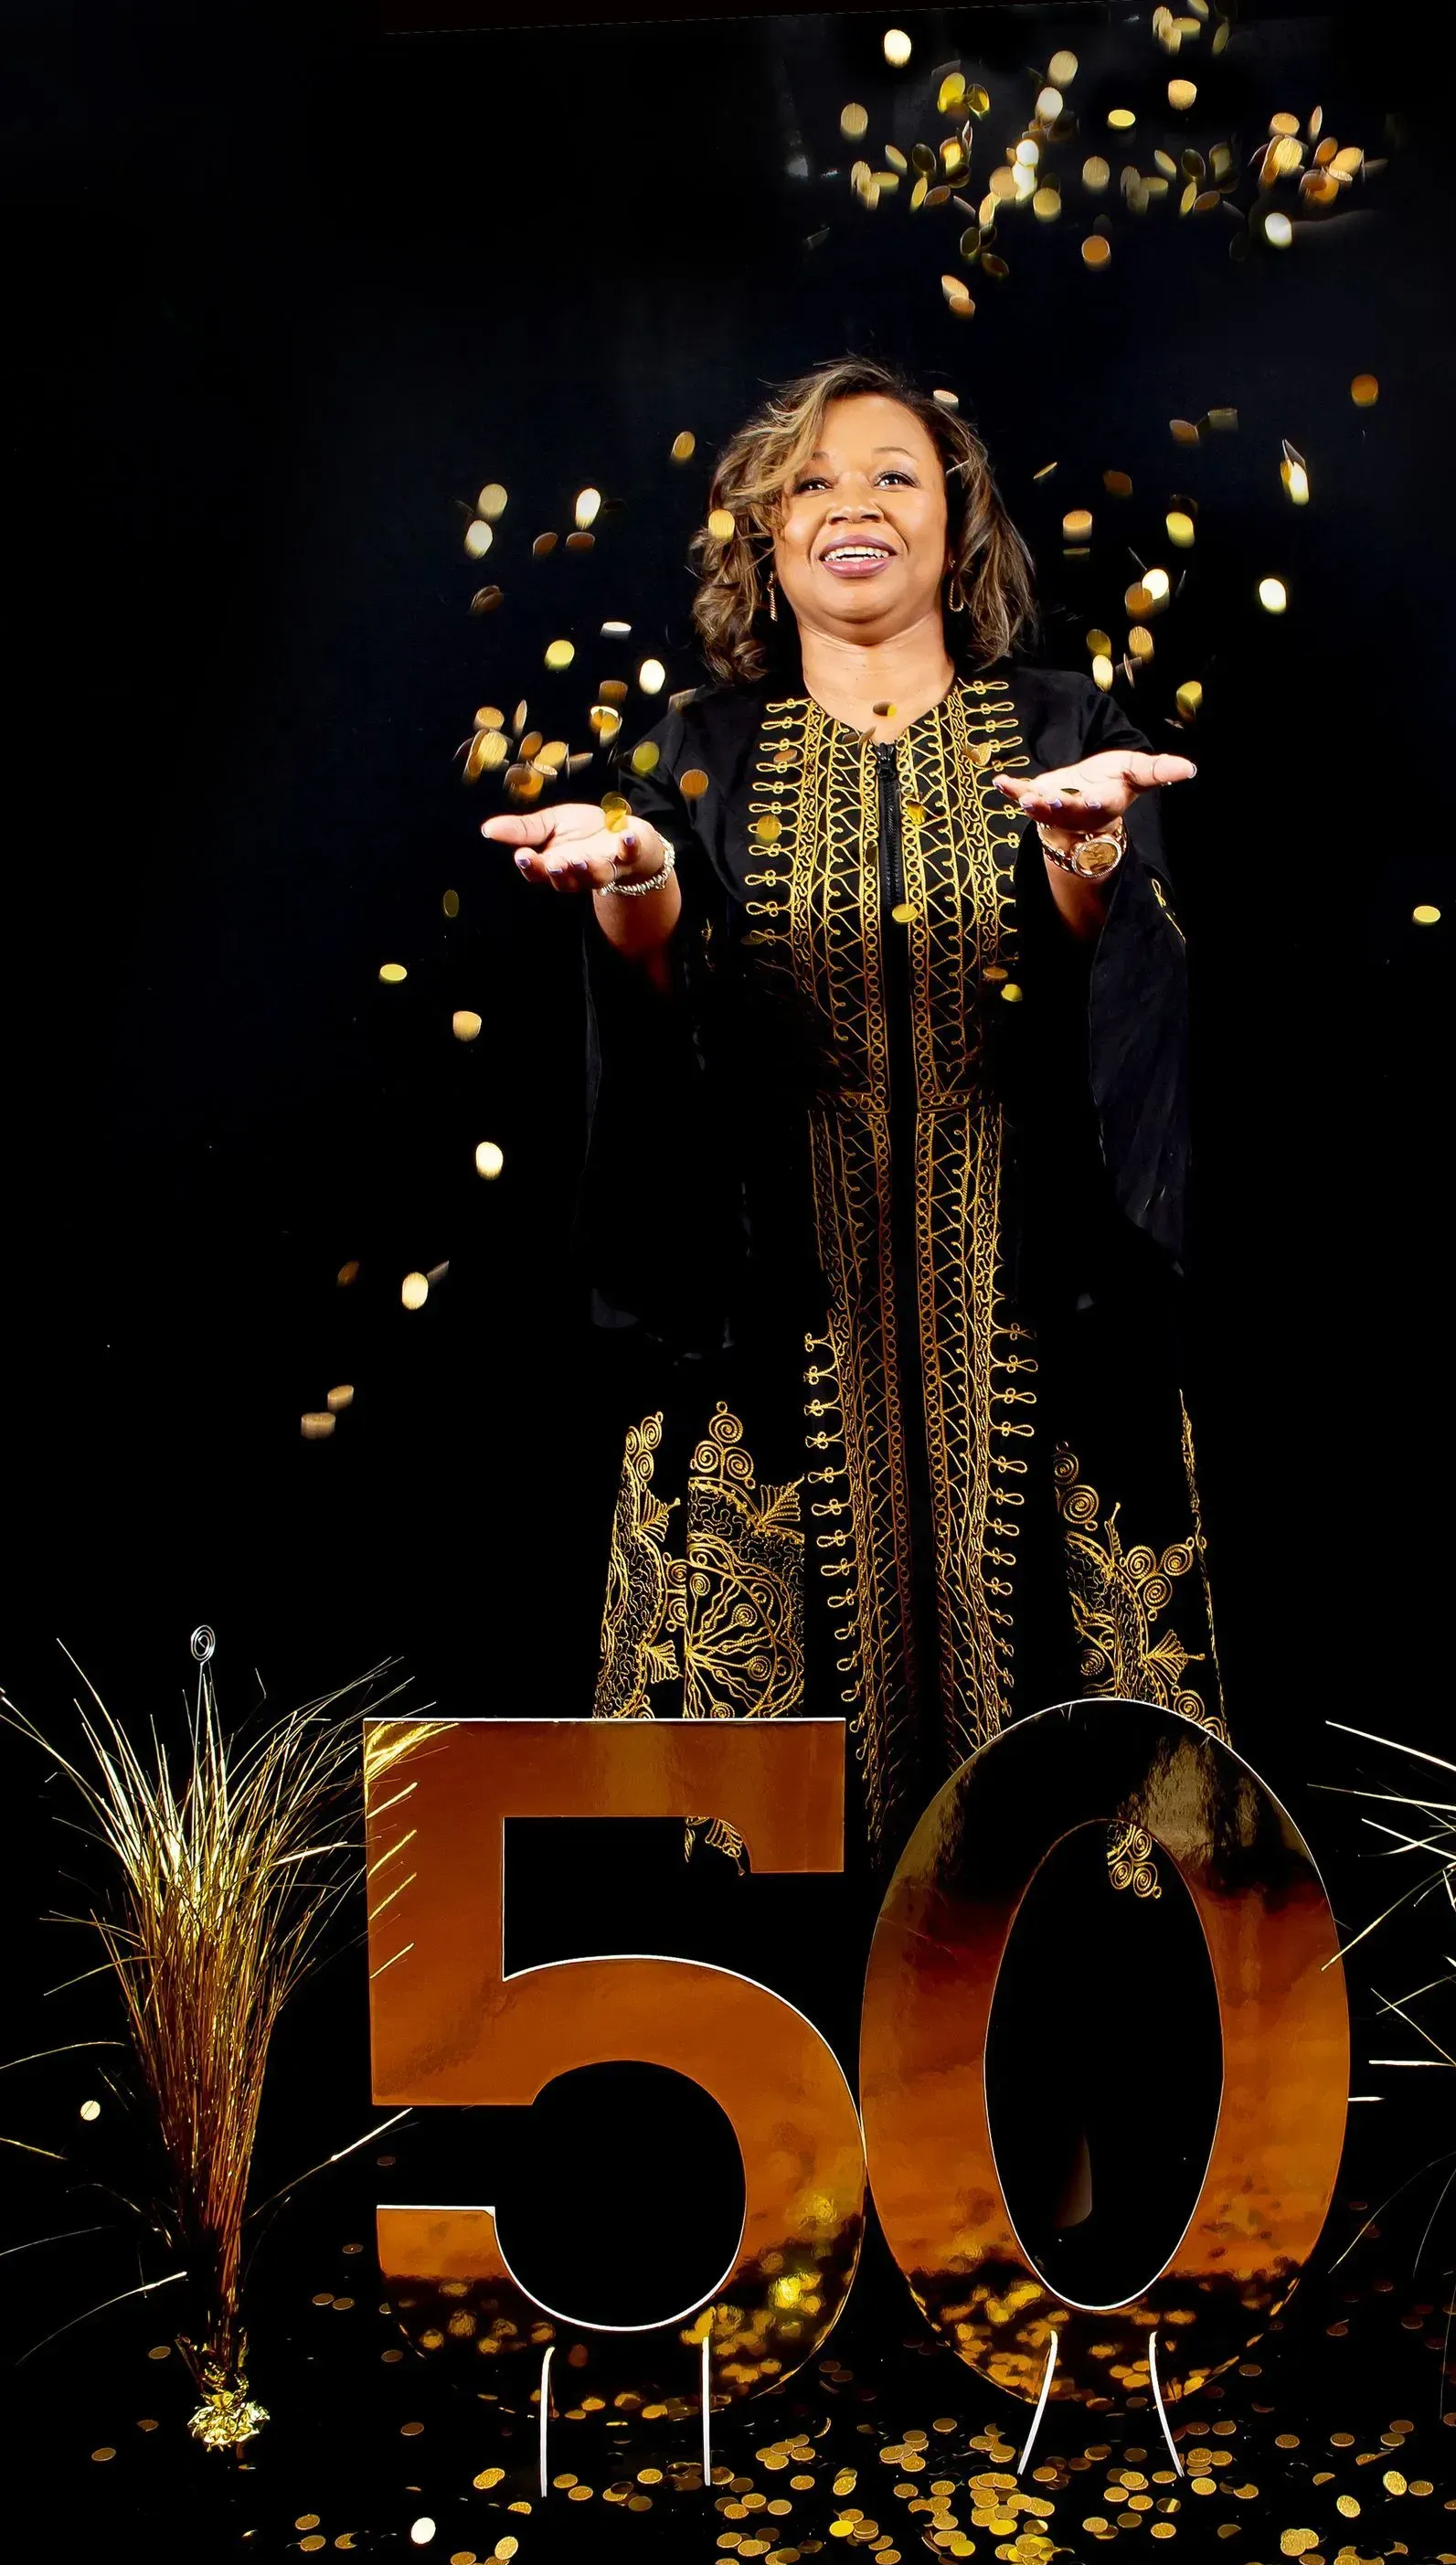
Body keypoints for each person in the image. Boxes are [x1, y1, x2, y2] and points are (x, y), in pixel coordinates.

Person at [482, 357, 1223, 1879]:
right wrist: (631, 885)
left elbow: (1124, 998)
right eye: (809, 482)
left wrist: (1088, 857)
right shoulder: (701, 744)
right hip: (764, 1316)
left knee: (1073, 1855)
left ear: (958, 524)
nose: (850, 503)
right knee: (764, 1866)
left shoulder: (1070, 720)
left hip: (1040, 1316)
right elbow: (665, 948)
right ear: (765, 540)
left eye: (893, 472)